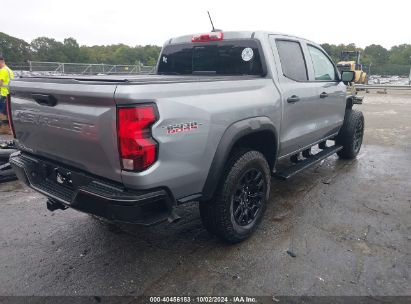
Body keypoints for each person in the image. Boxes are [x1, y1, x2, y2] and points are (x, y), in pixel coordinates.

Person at [0, 55, 14, 134]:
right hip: (8, 94)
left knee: (3, 113)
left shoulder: (2, 70)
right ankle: (9, 129)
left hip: (4, 94)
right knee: (7, 112)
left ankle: (5, 129)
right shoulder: (9, 70)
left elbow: (0, 83)